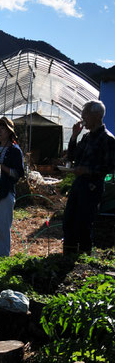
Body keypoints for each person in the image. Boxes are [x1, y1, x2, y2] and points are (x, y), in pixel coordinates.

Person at [62, 100, 115, 254]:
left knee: (83, 223)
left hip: (92, 187)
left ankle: (83, 258)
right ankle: (68, 255)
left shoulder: (108, 139)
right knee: (69, 220)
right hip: (79, 184)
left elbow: (110, 166)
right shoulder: (86, 138)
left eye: (85, 113)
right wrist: (73, 137)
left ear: (97, 115)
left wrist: (88, 170)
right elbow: (72, 157)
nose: (82, 117)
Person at [0, 117, 24, 257]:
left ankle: (1, 258)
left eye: (2, 128)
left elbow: (17, 173)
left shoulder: (14, 150)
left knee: (1, 228)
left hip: (5, 192)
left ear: (9, 132)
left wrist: (0, 165)